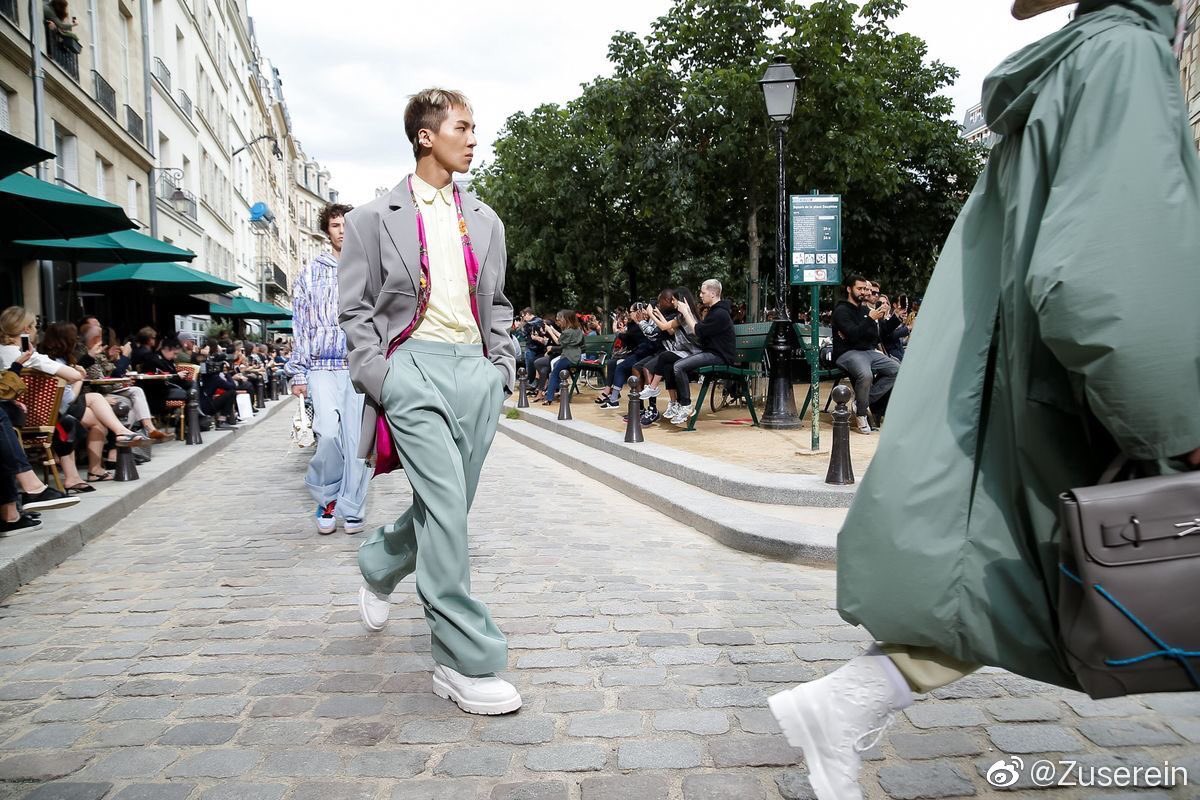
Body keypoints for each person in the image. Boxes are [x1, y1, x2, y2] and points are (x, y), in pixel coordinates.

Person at [766, 3, 1200, 799]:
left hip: (1027, 392)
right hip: (1076, 395)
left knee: (1005, 581)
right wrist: (1182, 422)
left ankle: (847, 702)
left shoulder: (1080, 62)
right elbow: (1113, 282)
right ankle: (846, 703)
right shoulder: (1126, 57)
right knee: (1018, 581)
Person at [339, 88, 521, 715]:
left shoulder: (488, 219)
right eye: (463, 128)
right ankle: (462, 659)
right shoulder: (371, 218)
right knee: (445, 508)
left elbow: (496, 302)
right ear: (426, 135)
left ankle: (380, 563)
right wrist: (382, 378)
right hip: (410, 367)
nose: (474, 138)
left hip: (475, 372)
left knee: (445, 509)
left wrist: (500, 367)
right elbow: (356, 308)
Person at [285, 201, 371, 536]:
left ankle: (352, 507)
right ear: (328, 230)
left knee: (356, 441)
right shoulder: (308, 274)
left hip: (358, 366)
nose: (343, 231)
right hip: (321, 366)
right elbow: (301, 326)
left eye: (348, 225)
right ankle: (326, 497)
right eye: (336, 225)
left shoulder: (368, 270)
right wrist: (298, 371)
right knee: (329, 434)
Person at [830, 274, 900, 434]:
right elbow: (853, 335)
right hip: (847, 353)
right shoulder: (841, 311)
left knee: (896, 370)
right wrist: (869, 320)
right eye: (860, 288)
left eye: (864, 289)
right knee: (866, 375)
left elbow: (876, 335)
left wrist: (892, 317)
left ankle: (860, 403)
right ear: (849, 289)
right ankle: (861, 414)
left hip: (868, 351)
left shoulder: (865, 310)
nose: (864, 292)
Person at [664, 279, 735, 425]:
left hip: (719, 356)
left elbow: (698, 331)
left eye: (703, 292)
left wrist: (686, 312)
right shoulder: (715, 311)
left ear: (713, 293)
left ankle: (686, 405)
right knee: (671, 363)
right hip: (712, 354)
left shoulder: (720, 314)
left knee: (678, 366)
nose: (700, 295)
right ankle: (679, 404)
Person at [535, 310, 583, 406]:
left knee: (554, 373)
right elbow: (562, 337)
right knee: (556, 366)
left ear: (566, 319)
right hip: (576, 356)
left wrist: (550, 331)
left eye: (560, 320)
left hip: (568, 357)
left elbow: (558, 342)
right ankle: (557, 391)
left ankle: (549, 398)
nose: (558, 322)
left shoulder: (568, 332)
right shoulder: (577, 330)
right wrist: (553, 330)